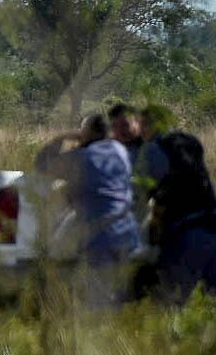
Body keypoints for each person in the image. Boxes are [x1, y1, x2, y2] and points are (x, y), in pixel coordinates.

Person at [35, 114, 140, 306]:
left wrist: (62, 138)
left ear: (86, 134)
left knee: (99, 301)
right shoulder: (120, 152)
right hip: (127, 232)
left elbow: (42, 165)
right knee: (118, 295)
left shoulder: (82, 158)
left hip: (100, 235)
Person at [132, 108, 216, 304]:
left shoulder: (152, 150)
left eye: (142, 125)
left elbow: (141, 195)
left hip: (187, 232)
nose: (140, 131)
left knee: (168, 300)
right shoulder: (191, 142)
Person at [108, 103, 143, 168]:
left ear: (138, 123)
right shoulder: (107, 149)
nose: (119, 130)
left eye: (125, 125)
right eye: (114, 126)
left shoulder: (150, 148)